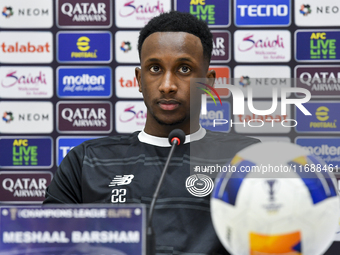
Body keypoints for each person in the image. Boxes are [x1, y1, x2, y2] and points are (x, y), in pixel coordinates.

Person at [44, 11, 259, 254]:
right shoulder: (85, 161)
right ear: (139, 79)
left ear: (208, 83)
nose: (167, 85)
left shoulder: (248, 158)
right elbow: (51, 246)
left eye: (184, 69)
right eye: (155, 68)